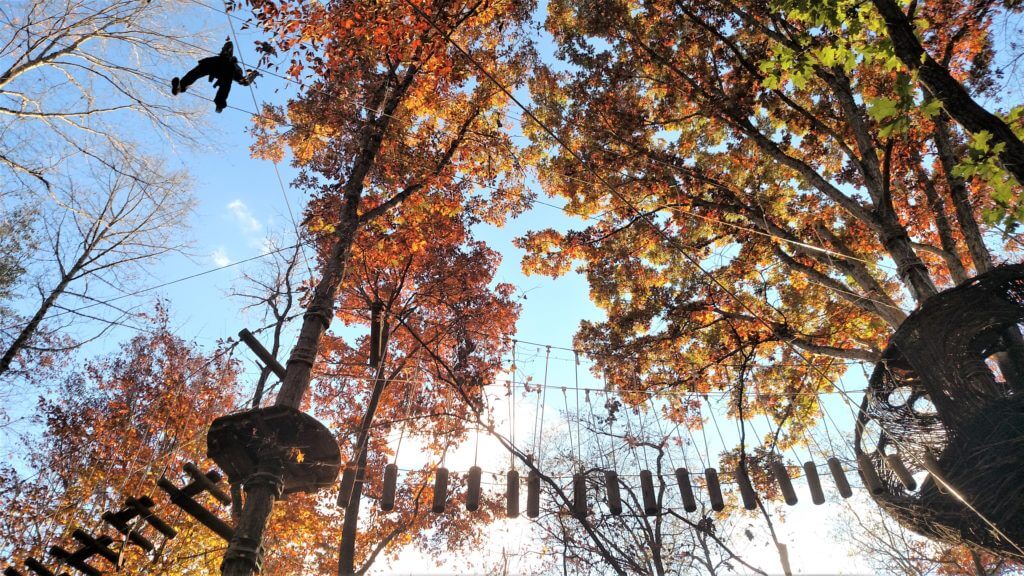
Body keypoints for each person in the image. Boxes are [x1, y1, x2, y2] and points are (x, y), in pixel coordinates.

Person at [171, 39, 257, 113]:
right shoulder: (235, 71)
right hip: (220, 67)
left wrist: (253, 75)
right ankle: (219, 101)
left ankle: (181, 85)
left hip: (215, 66)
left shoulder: (234, 70)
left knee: (198, 72)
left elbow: (244, 82)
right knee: (225, 83)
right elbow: (244, 82)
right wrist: (253, 75)